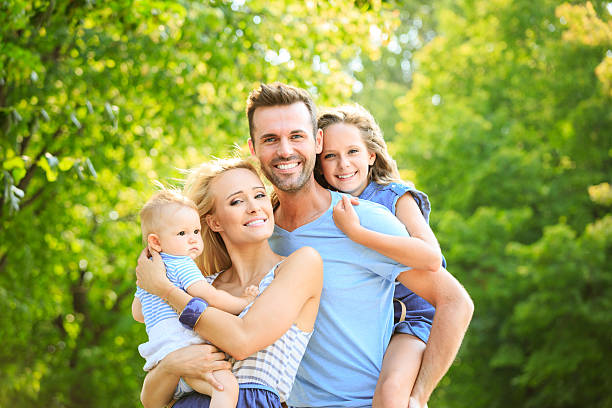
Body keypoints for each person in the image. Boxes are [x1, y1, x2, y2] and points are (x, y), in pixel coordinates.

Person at [244, 83, 473, 408]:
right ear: (253, 148)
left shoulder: (363, 219)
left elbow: (455, 301)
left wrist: (418, 395)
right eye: (270, 139)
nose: (284, 150)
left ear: (316, 140)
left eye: (296, 136)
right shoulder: (254, 230)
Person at [135, 160, 323, 408]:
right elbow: (152, 401)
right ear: (214, 222)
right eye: (237, 201)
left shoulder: (299, 265)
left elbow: (242, 341)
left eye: (259, 195)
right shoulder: (201, 284)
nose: (254, 207)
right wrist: (172, 364)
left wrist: (165, 290)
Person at [315, 103, 447, 408]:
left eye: (352, 152)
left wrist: (358, 234)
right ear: (319, 164)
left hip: (407, 319)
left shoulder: (394, 196)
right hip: (361, 326)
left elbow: (431, 258)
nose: (342, 164)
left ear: (371, 155)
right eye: (330, 156)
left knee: (390, 395)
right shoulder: (322, 207)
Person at [133, 190, 260, 408]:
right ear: (156, 241)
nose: (193, 239)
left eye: (196, 231)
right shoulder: (181, 263)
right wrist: (243, 302)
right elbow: (208, 295)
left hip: (161, 358)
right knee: (226, 388)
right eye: (182, 233)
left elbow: (138, 314)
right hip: (185, 345)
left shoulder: (149, 274)